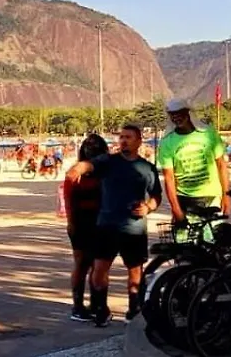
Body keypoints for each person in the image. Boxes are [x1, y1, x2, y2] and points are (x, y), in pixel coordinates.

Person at [67, 124, 162, 326]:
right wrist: (78, 169)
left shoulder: (147, 168)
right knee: (99, 271)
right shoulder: (108, 161)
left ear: (139, 141)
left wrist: (148, 207)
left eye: (128, 137)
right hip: (106, 227)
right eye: (121, 137)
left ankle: (134, 309)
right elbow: (89, 165)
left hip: (134, 228)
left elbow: (156, 196)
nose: (123, 141)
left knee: (135, 272)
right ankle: (101, 309)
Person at [157, 98, 230, 222]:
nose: (176, 117)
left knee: (213, 233)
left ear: (188, 113)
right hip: (184, 199)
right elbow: (169, 178)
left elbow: (221, 166)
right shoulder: (166, 142)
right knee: (185, 235)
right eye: (173, 115)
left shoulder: (208, 133)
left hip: (212, 198)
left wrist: (226, 197)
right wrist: (176, 209)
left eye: (179, 113)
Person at [62, 133, 108, 322]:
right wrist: (71, 222)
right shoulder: (75, 173)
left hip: (99, 222)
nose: (91, 149)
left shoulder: (105, 171)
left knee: (97, 265)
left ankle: (96, 305)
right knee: (82, 264)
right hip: (81, 221)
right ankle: (78, 306)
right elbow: (68, 199)